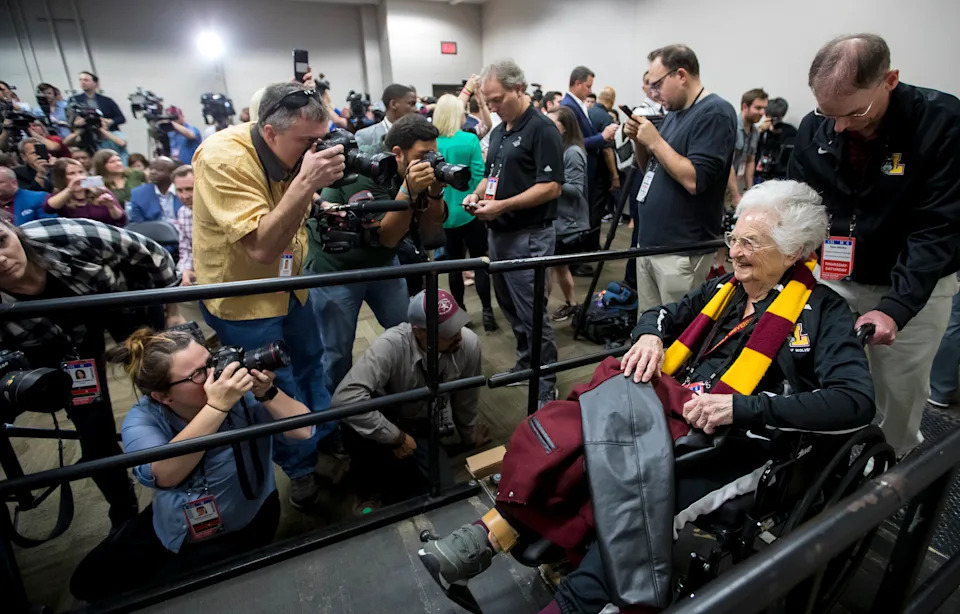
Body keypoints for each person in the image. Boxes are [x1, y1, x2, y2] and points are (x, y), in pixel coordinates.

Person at [418, 180, 875, 614]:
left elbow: (855, 401)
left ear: (794, 249)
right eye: (734, 236)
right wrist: (649, 338)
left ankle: (581, 598)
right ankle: (493, 533)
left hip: (732, 438)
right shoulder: (723, 289)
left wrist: (742, 407)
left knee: (637, 497)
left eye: (751, 243)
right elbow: (659, 314)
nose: (734, 251)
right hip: (666, 409)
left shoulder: (825, 313)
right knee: (570, 429)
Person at [788, 33, 960, 456]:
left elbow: (937, 228)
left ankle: (890, 476)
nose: (841, 126)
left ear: (891, 80)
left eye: (855, 112)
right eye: (829, 113)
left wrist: (895, 308)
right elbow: (796, 198)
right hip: (836, 275)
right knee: (824, 375)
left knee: (896, 394)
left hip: (911, 287)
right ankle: (832, 465)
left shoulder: (942, 122)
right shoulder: (818, 125)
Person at [69, 327, 314, 602]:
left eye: (210, 361)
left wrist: (268, 392)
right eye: (198, 374)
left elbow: (304, 431)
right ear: (163, 397)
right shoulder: (143, 419)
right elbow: (165, 475)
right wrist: (216, 408)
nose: (215, 374)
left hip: (243, 525)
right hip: (173, 522)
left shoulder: (240, 397)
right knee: (85, 583)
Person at [192, 82, 346, 509]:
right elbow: (260, 248)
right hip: (245, 299)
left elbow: (292, 202)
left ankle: (318, 435)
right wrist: (307, 182)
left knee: (312, 364)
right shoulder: (223, 158)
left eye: (322, 138)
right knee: (272, 385)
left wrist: (319, 203)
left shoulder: (289, 151)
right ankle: (299, 470)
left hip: (291, 288)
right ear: (271, 132)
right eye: (308, 142)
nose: (318, 149)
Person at [0, 218, 182, 530]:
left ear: (13, 231)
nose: (1, 259)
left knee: (171, 384)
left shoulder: (67, 235)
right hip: (63, 340)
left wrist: (173, 311)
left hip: (123, 300)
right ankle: (123, 509)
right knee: (92, 429)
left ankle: (195, 470)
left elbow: (153, 254)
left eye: (2, 241)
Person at [308, 114, 447, 396]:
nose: (431, 160)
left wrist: (435, 190)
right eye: (424, 155)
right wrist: (409, 190)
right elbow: (386, 236)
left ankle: (407, 394)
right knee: (336, 350)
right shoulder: (367, 172)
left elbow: (433, 232)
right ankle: (340, 412)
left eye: (435, 154)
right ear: (397, 153)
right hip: (336, 268)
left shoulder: (417, 172)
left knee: (406, 332)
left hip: (383, 263)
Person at [464, 60, 564, 406]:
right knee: (511, 308)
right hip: (500, 234)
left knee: (534, 313)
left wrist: (502, 205)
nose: (491, 107)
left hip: (529, 235)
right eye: (487, 101)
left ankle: (546, 379)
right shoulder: (501, 129)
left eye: (496, 99)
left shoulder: (542, 129)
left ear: (519, 89)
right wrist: (477, 195)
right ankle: (527, 364)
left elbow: (551, 187)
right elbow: (491, 175)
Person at [334, 290, 487, 502]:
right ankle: (366, 487)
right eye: (447, 331)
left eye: (457, 325)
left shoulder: (468, 344)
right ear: (419, 332)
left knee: (442, 491)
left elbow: (467, 397)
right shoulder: (391, 345)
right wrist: (395, 437)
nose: (458, 336)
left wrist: (469, 436)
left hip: (423, 424)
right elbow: (344, 398)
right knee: (360, 440)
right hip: (387, 418)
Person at [623, 44, 737, 310]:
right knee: (650, 328)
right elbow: (651, 170)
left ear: (681, 75)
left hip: (682, 250)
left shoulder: (715, 112)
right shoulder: (674, 114)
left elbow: (694, 179)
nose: (654, 93)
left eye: (657, 84)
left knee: (677, 334)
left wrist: (655, 141)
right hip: (652, 244)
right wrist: (640, 142)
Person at [433, 94, 497, 331]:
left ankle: (459, 315)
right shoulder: (469, 140)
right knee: (480, 262)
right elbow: (481, 175)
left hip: (445, 214)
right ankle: (488, 313)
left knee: (454, 267)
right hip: (470, 211)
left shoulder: (433, 143)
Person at [561, 67, 618, 264]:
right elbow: (574, 141)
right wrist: (601, 137)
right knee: (581, 213)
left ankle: (580, 255)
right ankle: (578, 258)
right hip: (581, 166)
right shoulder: (569, 107)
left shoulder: (577, 105)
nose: (589, 91)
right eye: (587, 86)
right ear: (577, 83)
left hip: (587, 166)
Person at [545, 106, 588, 322]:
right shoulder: (561, 149)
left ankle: (541, 309)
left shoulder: (572, 152)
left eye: (554, 124)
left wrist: (552, 182)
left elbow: (576, 189)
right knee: (559, 266)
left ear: (564, 127)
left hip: (568, 223)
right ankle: (572, 304)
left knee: (548, 267)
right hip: (560, 220)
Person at [44, 158, 127, 226]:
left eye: (81, 172)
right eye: (71, 173)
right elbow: (48, 208)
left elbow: (121, 219)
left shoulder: (100, 190)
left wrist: (111, 206)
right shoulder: (60, 195)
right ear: (62, 178)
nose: (78, 177)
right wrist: (70, 190)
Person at [727, 89, 768, 206]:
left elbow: (750, 160)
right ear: (745, 107)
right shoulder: (731, 126)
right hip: (723, 185)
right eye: (758, 108)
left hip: (737, 184)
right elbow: (727, 162)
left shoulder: (755, 131)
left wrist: (750, 191)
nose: (762, 112)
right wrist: (735, 194)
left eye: (764, 108)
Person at [590, 87, 622, 224]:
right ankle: (593, 244)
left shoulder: (587, 113)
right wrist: (615, 176)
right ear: (611, 101)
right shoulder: (606, 118)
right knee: (596, 211)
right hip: (600, 172)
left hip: (587, 169)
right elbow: (607, 150)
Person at [354, 84, 417, 149]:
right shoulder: (366, 136)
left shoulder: (419, 134)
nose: (416, 109)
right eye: (411, 104)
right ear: (393, 104)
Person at [754, 97, 797, 182]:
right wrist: (759, 131)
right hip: (760, 175)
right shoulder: (760, 131)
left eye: (777, 117)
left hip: (781, 177)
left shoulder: (791, 132)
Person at [128, 157, 182, 224]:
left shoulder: (184, 189)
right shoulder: (138, 194)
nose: (153, 172)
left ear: (172, 173)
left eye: (159, 170)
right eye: (151, 169)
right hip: (152, 232)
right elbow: (137, 225)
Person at [172, 165, 196, 286]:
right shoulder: (182, 212)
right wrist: (185, 272)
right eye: (180, 190)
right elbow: (186, 250)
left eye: (189, 189)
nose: (184, 196)